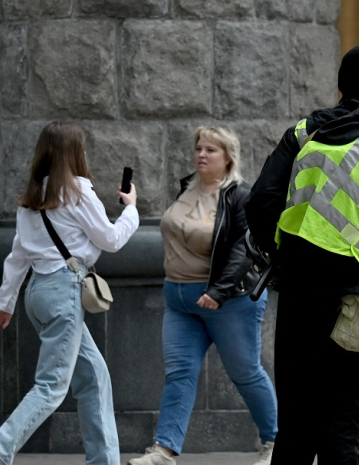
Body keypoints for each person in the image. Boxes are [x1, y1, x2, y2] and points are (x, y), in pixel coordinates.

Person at [244, 43, 359, 465]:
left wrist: (283, 251)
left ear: (340, 86)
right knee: (344, 428)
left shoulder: (305, 132)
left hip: (298, 295)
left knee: (295, 427)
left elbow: (260, 202)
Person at [0, 121, 139, 465]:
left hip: (37, 294)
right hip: (65, 292)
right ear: (75, 154)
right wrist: (132, 210)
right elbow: (111, 240)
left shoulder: (32, 199)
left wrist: (5, 304)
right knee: (52, 385)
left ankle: (103, 461)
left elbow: (17, 256)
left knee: (95, 376)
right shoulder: (79, 192)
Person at [128, 127, 277, 465]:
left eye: (211, 149)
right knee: (179, 373)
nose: (202, 155)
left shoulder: (240, 195)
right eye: (199, 148)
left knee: (246, 372)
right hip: (179, 301)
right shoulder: (187, 189)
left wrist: (218, 291)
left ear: (228, 158)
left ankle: (273, 443)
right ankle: (164, 450)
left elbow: (244, 249)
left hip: (229, 302)